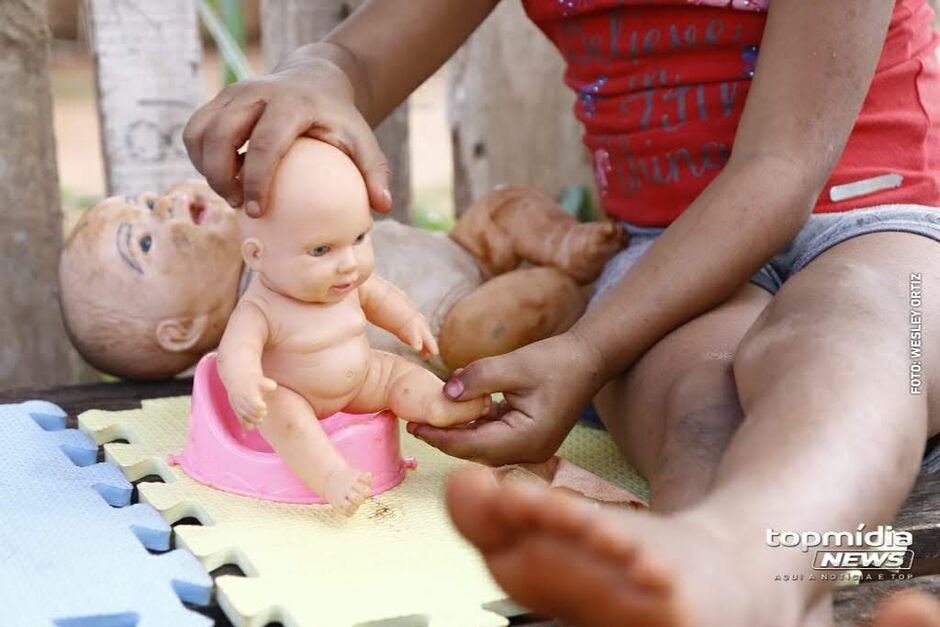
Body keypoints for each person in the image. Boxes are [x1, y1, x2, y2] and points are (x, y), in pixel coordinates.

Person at [183, 0, 940, 625]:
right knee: (695, 407)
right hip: (669, 261)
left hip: (889, 230)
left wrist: (587, 350)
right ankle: (735, 586)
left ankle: (748, 562)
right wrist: (314, 76)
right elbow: (363, 59)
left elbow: (781, 169)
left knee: (866, 341)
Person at [60, 181, 624, 381]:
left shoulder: (261, 221)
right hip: (450, 328)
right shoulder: (257, 331)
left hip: (457, 251)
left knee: (504, 206)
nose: (162, 207)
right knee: (511, 315)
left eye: (148, 199)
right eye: (145, 242)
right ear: (181, 330)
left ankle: (565, 246)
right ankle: (581, 293)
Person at [217, 138, 491, 514]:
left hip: (362, 378)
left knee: (400, 374)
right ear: (257, 256)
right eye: (320, 251)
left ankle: (439, 404)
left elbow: (381, 297)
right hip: (295, 393)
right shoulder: (261, 309)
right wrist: (245, 382)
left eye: (359, 238)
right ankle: (331, 477)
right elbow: (237, 351)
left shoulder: (347, 282)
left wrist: (410, 323)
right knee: (286, 418)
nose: (349, 263)